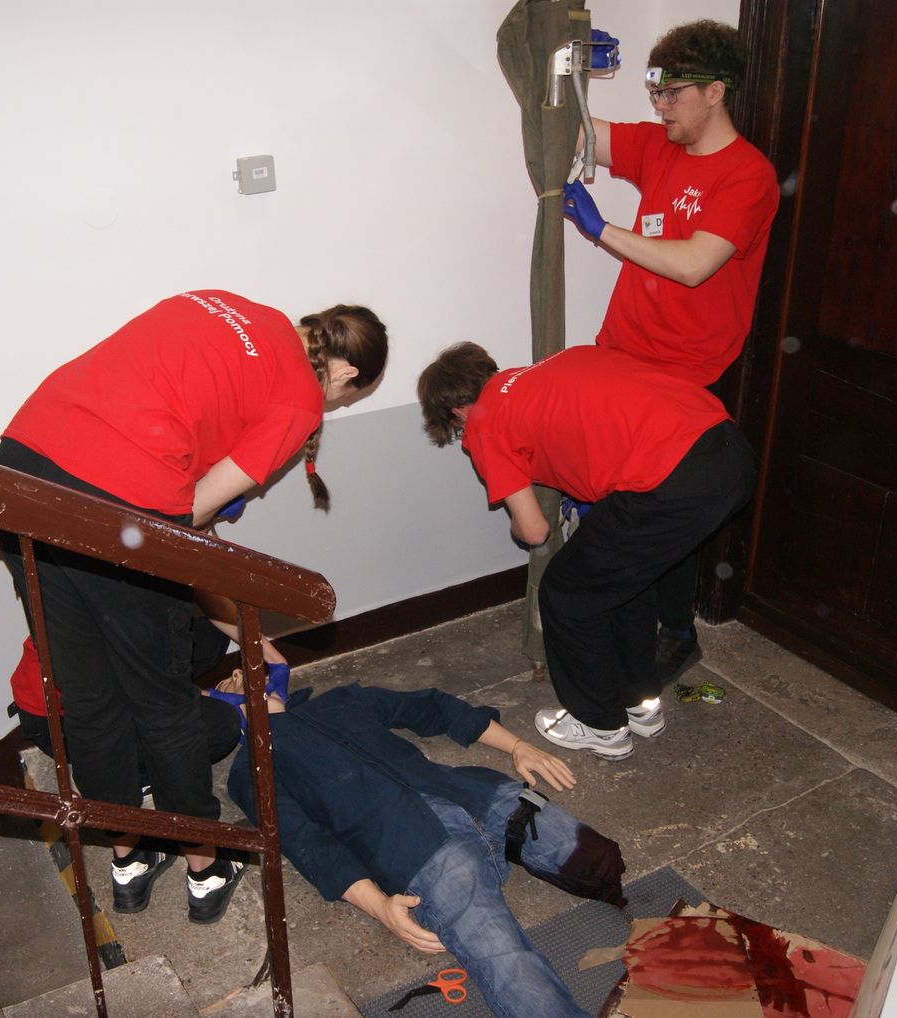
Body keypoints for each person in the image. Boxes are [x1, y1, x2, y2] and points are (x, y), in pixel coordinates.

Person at [0, 290, 387, 924]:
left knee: (88, 698)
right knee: (163, 702)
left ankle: (127, 857)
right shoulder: (299, 400)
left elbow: (168, 409)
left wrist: (244, 628)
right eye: (345, 397)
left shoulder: (222, 302)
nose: (332, 407)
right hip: (117, 511)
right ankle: (204, 864)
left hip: (20, 469)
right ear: (344, 373)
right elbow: (188, 516)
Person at [562, 19, 778, 706]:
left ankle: (675, 632)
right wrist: (561, 67)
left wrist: (601, 230)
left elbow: (693, 264)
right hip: (623, 353)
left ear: (716, 91)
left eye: (672, 93)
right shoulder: (661, 146)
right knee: (624, 499)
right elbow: (575, 131)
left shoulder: (748, 175)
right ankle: (631, 623)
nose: (659, 107)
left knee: (663, 506)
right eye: (654, 91)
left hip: (686, 369)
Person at [417, 343, 756, 759]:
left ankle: (599, 725)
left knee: (566, 593)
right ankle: (641, 706)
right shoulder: (563, 361)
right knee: (625, 583)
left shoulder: (485, 422)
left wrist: (516, 522)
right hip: (730, 451)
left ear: (456, 411)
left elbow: (534, 531)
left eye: (456, 425)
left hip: (670, 481)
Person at [226, 681, 626, 1018]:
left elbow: (432, 707)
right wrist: (380, 907)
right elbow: (307, 844)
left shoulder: (341, 699)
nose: (243, 677)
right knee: (506, 958)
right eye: (232, 681)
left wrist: (518, 745)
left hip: (478, 796)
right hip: (422, 852)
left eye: (248, 669)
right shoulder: (252, 769)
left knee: (600, 860)